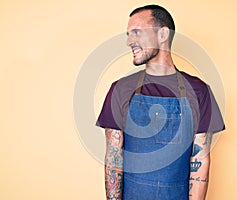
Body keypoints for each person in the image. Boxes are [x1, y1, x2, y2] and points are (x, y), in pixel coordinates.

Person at [96, 4, 225, 200]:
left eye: (137, 32)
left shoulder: (199, 91)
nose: (129, 41)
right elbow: (114, 161)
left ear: (163, 34)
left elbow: (200, 160)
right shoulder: (120, 90)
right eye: (129, 34)